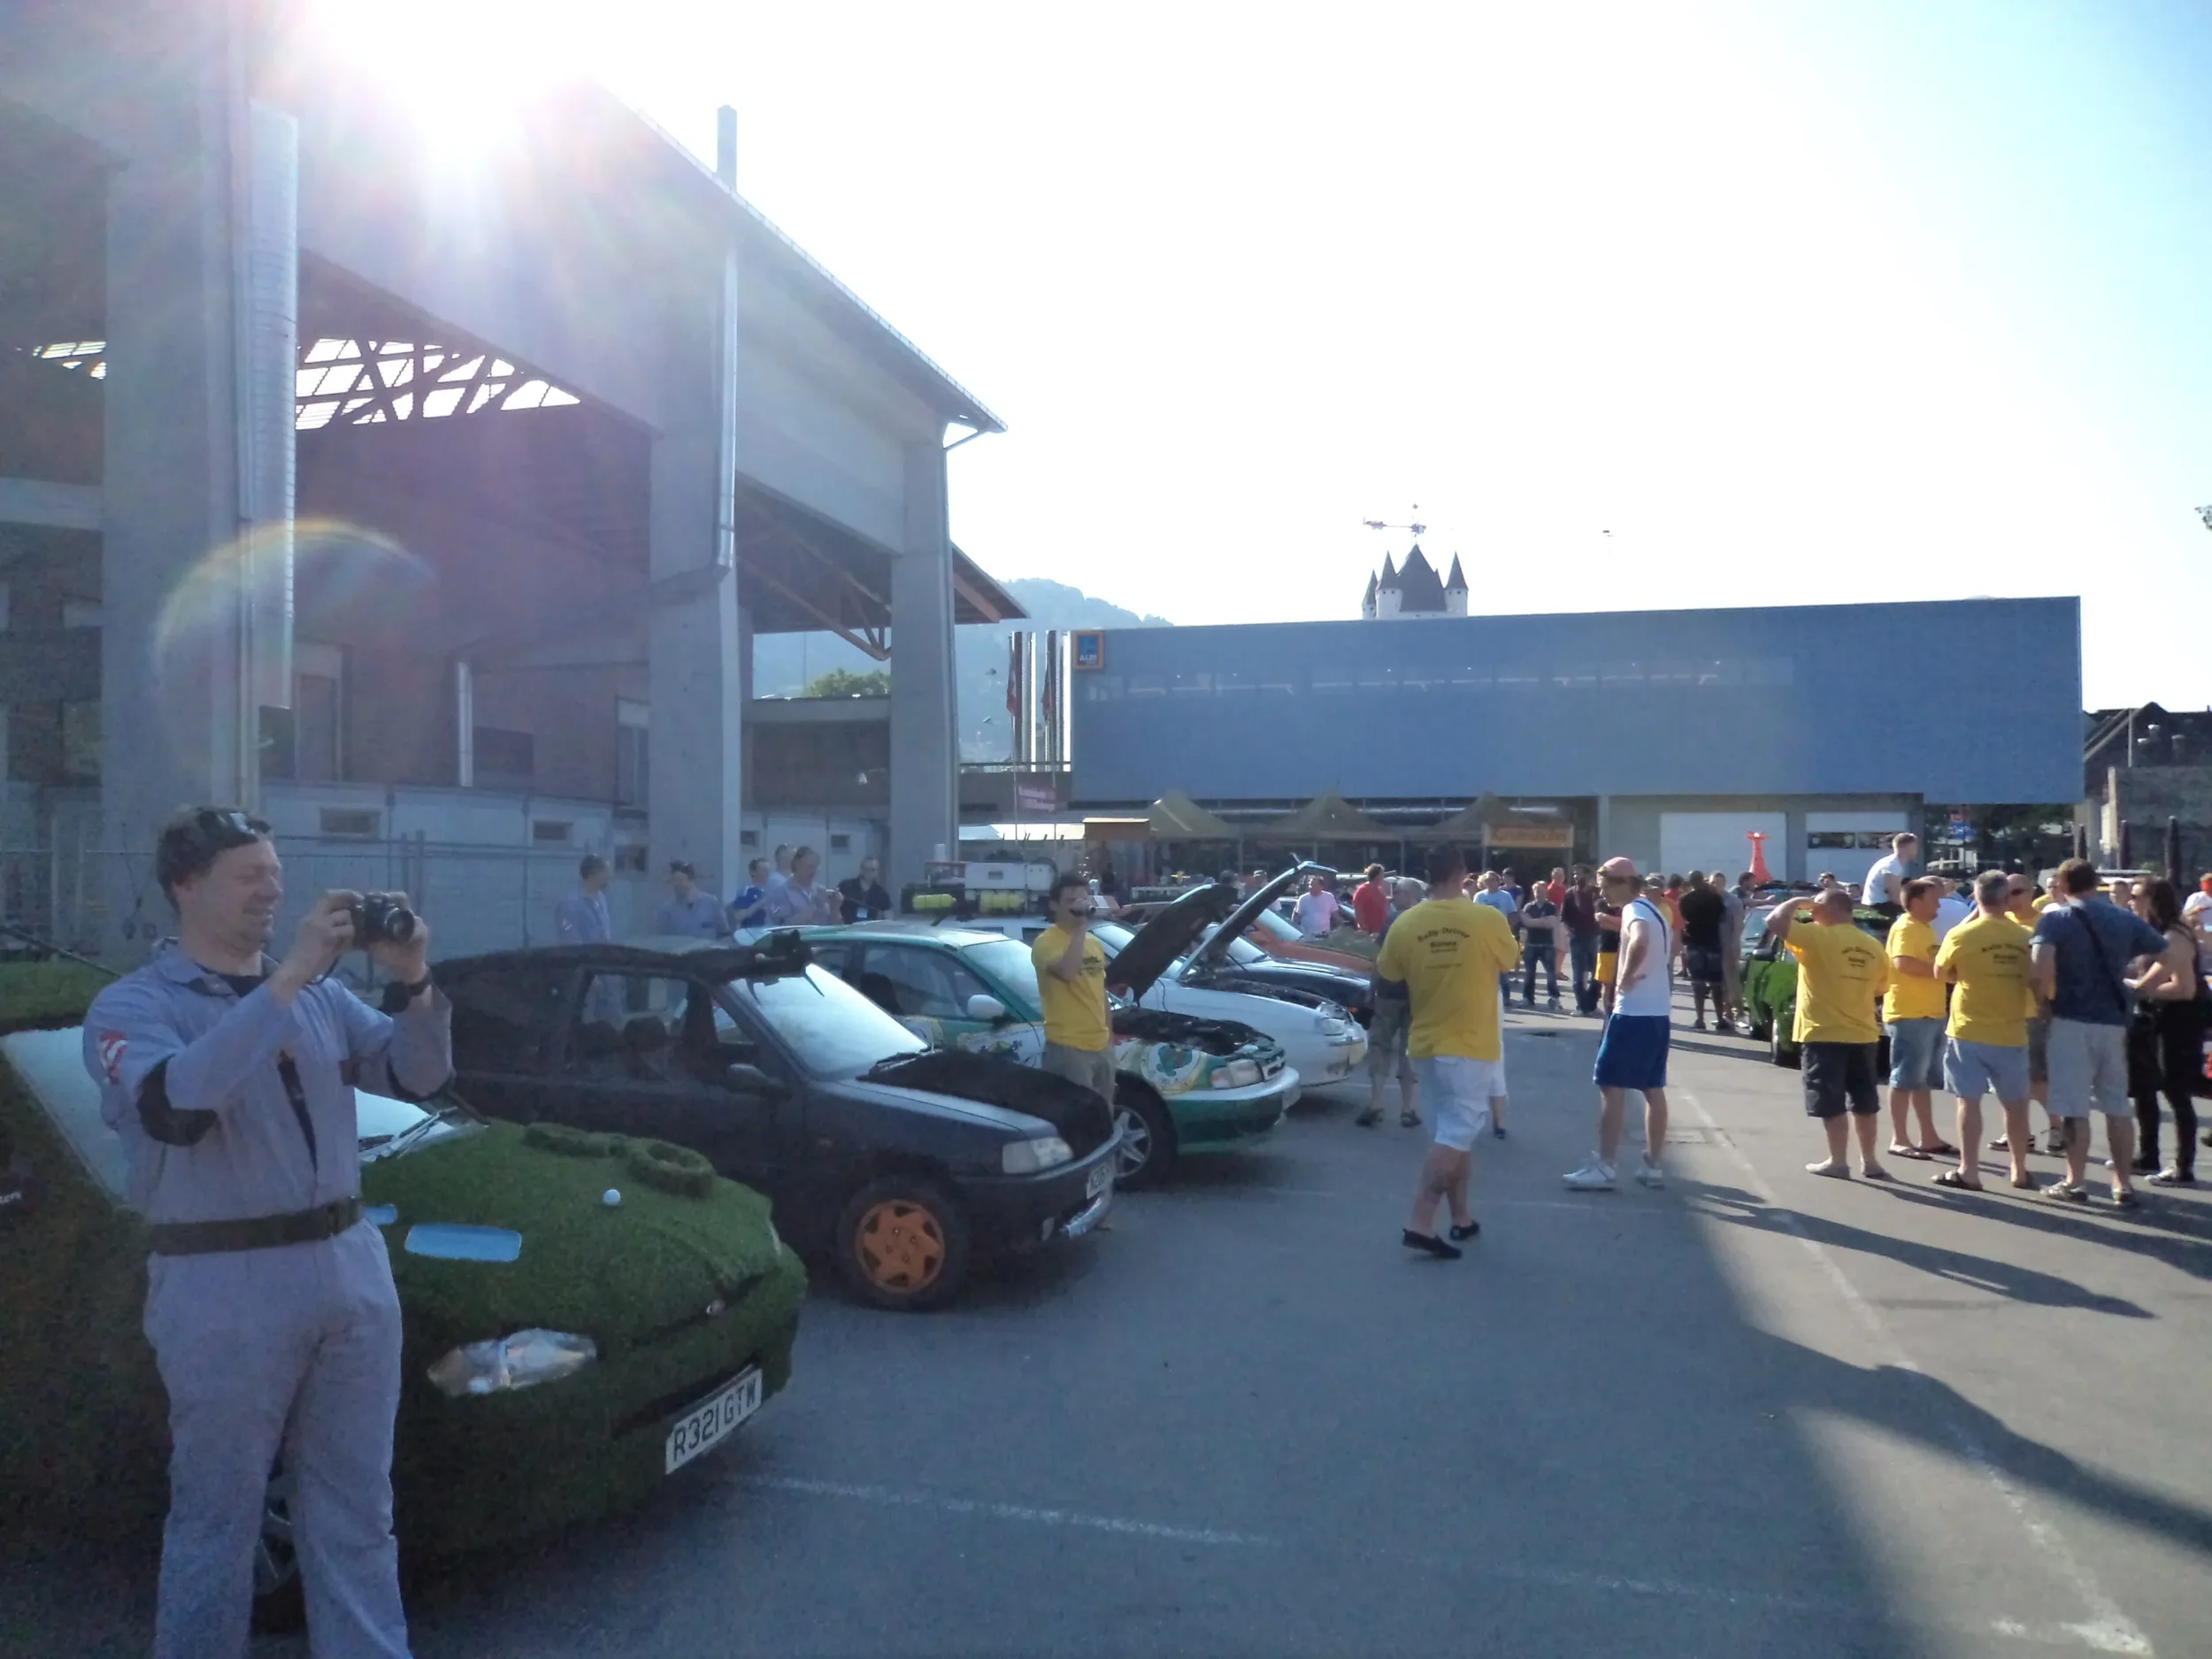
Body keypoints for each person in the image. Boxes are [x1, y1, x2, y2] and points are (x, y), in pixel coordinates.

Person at [83, 807, 450, 1657]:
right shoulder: (133, 1004)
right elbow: (175, 1104)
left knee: (359, 1509)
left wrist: (414, 981)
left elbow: (419, 1072)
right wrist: (283, 982)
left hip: (348, 1264)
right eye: (249, 875)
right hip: (223, 1278)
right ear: (185, 885)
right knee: (219, 1514)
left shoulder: (321, 996)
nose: (272, 889)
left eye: (275, 874)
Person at [1378, 844, 1521, 1259]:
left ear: (1427, 874)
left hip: (1425, 1041)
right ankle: (1419, 1222)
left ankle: (1461, 1217)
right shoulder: (1486, 918)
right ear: (1463, 873)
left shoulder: (1407, 923)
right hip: (1470, 1043)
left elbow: (1390, 974)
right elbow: (1511, 961)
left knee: (1452, 1134)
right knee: (1459, 1132)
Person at [2031, 859, 2171, 1206]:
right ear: (2096, 883)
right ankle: (2123, 1184)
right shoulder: (2124, 918)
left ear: (2062, 885)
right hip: (2114, 1020)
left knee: (2074, 1106)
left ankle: (2075, 1181)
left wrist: (2041, 1001)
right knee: (2117, 1105)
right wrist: (2139, 987)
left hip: (2071, 1019)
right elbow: (2167, 953)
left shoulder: (2055, 918)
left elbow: (2040, 965)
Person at [1767, 887, 1893, 1180]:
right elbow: (1880, 988)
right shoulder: (1873, 945)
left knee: (1830, 1099)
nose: (1812, 913)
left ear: (1829, 909)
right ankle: (1870, 1161)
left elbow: (1774, 922)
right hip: (1863, 1033)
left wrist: (1797, 901)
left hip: (1824, 1032)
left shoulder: (1817, 936)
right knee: (1864, 1100)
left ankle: (1838, 1161)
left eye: (1816, 909)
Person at [1564, 857, 1672, 1192]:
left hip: (1633, 1014)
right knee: (1653, 1088)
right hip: (1657, 1013)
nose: (1601, 891)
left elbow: (1639, 940)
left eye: (1604, 885)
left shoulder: (1634, 911)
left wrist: (1623, 977)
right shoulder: (1656, 910)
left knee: (1610, 1084)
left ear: (1621, 883)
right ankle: (1653, 1164)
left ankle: (1606, 1164)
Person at [1928, 872, 2037, 1192]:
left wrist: (1965, 975)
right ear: (2006, 900)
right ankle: (2019, 1169)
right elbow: (2034, 976)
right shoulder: (2023, 935)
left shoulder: (1961, 934)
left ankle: (1970, 1170)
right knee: (2016, 1104)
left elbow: (1940, 972)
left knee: (1969, 1101)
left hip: (1969, 1027)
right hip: (2012, 1028)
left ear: (1975, 899)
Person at [2124, 878, 2203, 1186]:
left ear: (2154, 900)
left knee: (2176, 1092)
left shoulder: (2174, 935)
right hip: (2152, 1018)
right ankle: (2148, 1156)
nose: (2131, 901)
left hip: (2179, 1021)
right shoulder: (2152, 933)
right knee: (2143, 1088)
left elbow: (2184, 989)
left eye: (2136, 896)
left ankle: (2183, 1166)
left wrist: (2135, 988)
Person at [1879, 878, 1955, 1162]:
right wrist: (1944, 972)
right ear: (1916, 901)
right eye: (1934, 897)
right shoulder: (1906, 927)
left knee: (1920, 1080)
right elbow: (1903, 963)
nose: (1938, 903)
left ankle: (1928, 1137)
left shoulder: (1924, 929)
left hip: (1929, 1012)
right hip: (1910, 1013)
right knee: (1904, 1078)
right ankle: (1899, 1138)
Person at [1031, 872, 1113, 1107]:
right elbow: (1067, 973)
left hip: (1100, 1046)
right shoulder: (1045, 942)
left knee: (1103, 1118)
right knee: (1077, 1122)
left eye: (1084, 899)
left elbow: (1100, 992)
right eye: (1071, 902)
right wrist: (1080, 928)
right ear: (1054, 905)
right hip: (1069, 1048)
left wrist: (1110, 1039)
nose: (1080, 905)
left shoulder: (1093, 943)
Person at [1358, 899, 1419, 1129]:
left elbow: (1380, 958)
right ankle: (1409, 1108)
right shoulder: (1427, 921)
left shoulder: (1393, 920)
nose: (1394, 898)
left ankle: (1377, 1103)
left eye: (1400, 893)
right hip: (1416, 994)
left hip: (1388, 992)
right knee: (1410, 1049)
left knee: (1380, 1045)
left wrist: (1371, 989)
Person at [1677, 871, 1728, 1032]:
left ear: (1690, 882)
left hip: (1694, 942)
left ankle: (1700, 1019)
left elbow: (1683, 917)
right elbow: (1722, 915)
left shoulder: (1685, 899)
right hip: (1713, 941)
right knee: (1716, 984)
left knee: (1697, 983)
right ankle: (1720, 1018)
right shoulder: (1714, 898)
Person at [1471, 871, 1521, 1002]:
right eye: (1487, 880)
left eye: (1493, 879)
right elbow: (1474, 915)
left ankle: (1505, 998)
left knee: (1501, 967)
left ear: (1498, 881)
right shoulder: (1479, 896)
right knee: (1483, 967)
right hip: (1483, 936)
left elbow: (1513, 914)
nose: (1490, 882)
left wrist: (1507, 929)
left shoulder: (1505, 896)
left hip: (1500, 935)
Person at [1561, 867, 1602, 1015]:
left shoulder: (1596, 893)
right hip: (1577, 938)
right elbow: (1564, 917)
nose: (1576, 876)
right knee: (1578, 975)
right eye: (1574, 874)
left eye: (1579, 873)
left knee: (1598, 974)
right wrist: (1569, 933)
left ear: (1588, 874)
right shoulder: (1570, 893)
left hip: (1595, 937)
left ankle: (1591, 1004)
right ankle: (1581, 1006)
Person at [766, 846, 840, 926]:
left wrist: (835, 908)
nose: (814, 871)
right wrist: (814, 904)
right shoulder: (781, 892)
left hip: (820, 938)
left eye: (816, 867)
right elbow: (783, 927)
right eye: (810, 866)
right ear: (797, 865)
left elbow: (835, 927)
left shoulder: (819, 890)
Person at [1517, 882, 1563, 1009]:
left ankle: (1554, 998)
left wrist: (1532, 921)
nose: (1539, 893)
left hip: (1547, 944)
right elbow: (1526, 923)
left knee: (1551, 974)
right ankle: (1528, 998)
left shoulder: (1551, 907)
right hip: (1531, 944)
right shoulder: (1528, 907)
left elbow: (1552, 923)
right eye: (1536, 891)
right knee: (1529, 973)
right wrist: (1541, 922)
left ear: (1546, 892)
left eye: (1541, 891)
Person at [1715, 871, 1748, 1033]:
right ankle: (1725, 1014)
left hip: (1729, 946)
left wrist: (1735, 945)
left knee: (1732, 981)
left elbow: (1738, 925)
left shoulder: (1732, 901)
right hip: (1714, 946)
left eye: (1719, 883)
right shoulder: (1711, 900)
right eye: (1713, 883)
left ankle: (1740, 1014)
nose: (1716, 886)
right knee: (1719, 983)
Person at [658, 860, 727, 938]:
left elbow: (724, 934)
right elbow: (661, 938)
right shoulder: (668, 909)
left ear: (691, 879)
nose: (675, 884)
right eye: (673, 881)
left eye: (678, 880)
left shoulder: (711, 904)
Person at [555, 853, 613, 945]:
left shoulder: (601, 899)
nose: (609, 876)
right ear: (592, 875)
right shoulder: (569, 905)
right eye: (605, 872)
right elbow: (570, 943)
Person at [1863, 833, 1918, 917]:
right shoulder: (1892, 865)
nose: (1917, 849)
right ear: (1907, 847)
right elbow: (1895, 897)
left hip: (1881, 906)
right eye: (1914, 846)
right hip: (1879, 908)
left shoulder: (1893, 863)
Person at [838, 855, 893, 922]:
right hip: (847, 928)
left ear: (877, 871)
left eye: (872, 870)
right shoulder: (846, 886)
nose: (868, 872)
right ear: (861, 868)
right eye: (866, 869)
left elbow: (889, 917)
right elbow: (833, 905)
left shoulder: (881, 894)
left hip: (870, 930)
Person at [728, 856, 773, 931]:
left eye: (768, 870)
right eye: (764, 870)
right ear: (753, 872)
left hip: (769, 933)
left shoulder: (770, 891)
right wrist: (757, 905)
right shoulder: (746, 890)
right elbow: (738, 916)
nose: (768, 873)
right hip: (752, 935)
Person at [1292, 872, 1340, 936]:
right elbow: (1295, 917)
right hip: (1307, 935)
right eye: (1310, 885)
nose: (1311, 887)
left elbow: (1336, 915)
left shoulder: (1329, 897)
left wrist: (1340, 928)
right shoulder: (1303, 898)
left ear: (1321, 886)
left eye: (1314, 885)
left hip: (1324, 935)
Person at [1351, 864, 1392, 935]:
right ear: (1376, 875)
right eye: (1382, 875)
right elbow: (1358, 911)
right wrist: (1364, 928)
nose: (1383, 877)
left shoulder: (1380, 889)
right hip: (1369, 933)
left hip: (1382, 931)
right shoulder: (1362, 890)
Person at [1931, 877, 1971, 943]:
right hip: (1958, 948)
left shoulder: (1920, 909)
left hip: (1929, 950)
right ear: (1943, 888)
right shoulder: (1962, 906)